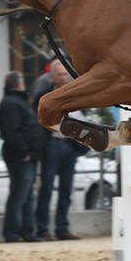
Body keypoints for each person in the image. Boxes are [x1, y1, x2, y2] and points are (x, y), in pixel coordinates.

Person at [32, 61, 89, 241]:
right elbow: (37, 120)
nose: (63, 77)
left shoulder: (76, 93)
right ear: (53, 77)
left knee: (66, 189)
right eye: (60, 75)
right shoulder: (44, 95)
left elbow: (83, 117)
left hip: (70, 145)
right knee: (46, 188)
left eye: (65, 74)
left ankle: (62, 227)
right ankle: (42, 228)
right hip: (51, 145)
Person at [0, 71, 47, 243]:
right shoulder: (12, 103)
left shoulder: (17, 102)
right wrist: (23, 152)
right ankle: (13, 232)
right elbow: (11, 132)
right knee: (20, 194)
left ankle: (27, 231)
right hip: (21, 156)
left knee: (26, 195)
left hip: (28, 155)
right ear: (19, 84)